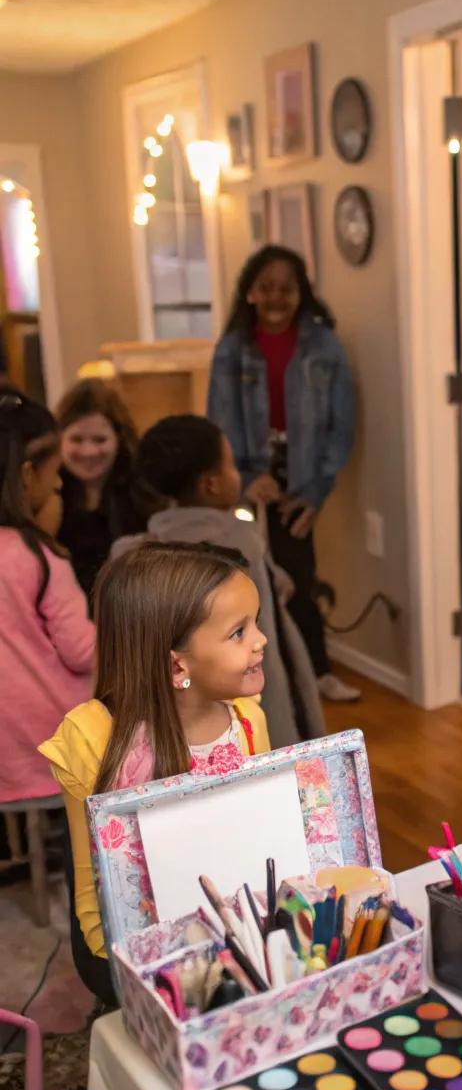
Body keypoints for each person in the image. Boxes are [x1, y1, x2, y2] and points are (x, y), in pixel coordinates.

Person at [40, 542, 271, 1005]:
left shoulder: (248, 721)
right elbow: (93, 893)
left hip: (239, 929)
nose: (260, 640)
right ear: (176, 665)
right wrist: (135, 971)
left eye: (256, 623)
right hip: (141, 954)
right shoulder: (91, 740)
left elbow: (262, 838)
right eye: (238, 633)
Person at [113, 413, 325, 748]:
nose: (237, 475)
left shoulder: (139, 552)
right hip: (244, 690)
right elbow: (265, 624)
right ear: (211, 483)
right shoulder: (240, 541)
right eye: (231, 466)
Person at [207, 245, 359, 703]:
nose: (276, 297)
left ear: (301, 293)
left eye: (287, 289)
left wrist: (315, 492)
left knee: (300, 574)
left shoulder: (324, 346)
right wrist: (247, 475)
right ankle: (258, 681)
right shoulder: (233, 347)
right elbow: (219, 418)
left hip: (303, 483)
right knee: (248, 575)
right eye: (266, 287)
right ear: (250, 292)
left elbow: (342, 423)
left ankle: (315, 672)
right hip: (248, 479)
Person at [0, 390, 94, 807]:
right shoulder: (39, 556)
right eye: (54, 473)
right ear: (26, 475)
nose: (58, 484)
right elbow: (80, 651)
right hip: (52, 751)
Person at [55, 378, 155, 602]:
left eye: (99, 440)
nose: (88, 451)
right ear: (59, 439)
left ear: (119, 439)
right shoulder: (45, 497)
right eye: (77, 439)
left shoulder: (143, 494)